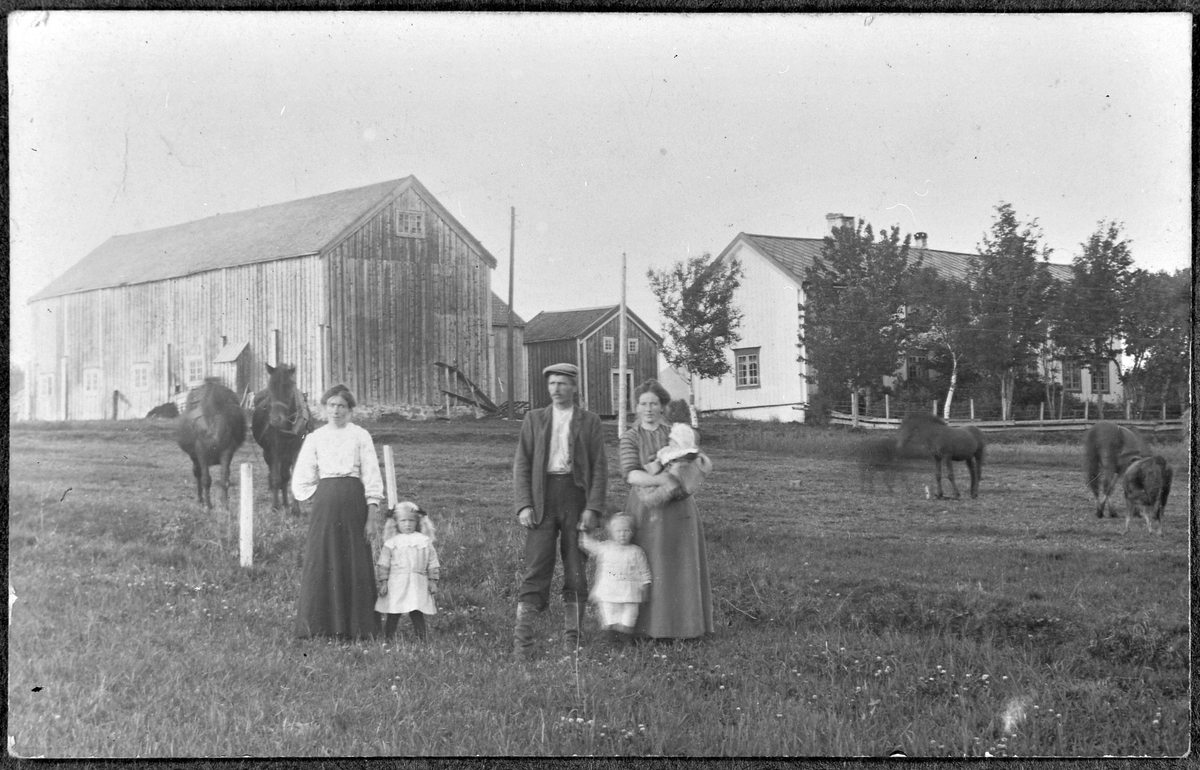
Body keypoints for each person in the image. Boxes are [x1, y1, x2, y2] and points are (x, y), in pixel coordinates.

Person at [512, 362, 608, 658]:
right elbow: (523, 464)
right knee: (536, 566)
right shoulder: (534, 419)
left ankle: (572, 641)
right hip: (543, 498)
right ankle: (523, 644)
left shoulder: (589, 421)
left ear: (574, 387)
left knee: (575, 568)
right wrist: (524, 505)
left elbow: (600, 468)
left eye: (563, 383)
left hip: (575, 498)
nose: (557, 389)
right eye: (552, 383)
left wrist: (592, 508)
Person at [621, 379, 714, 641]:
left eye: (654, 403)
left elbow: (699, 461)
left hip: (679, 508)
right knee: (650, 566)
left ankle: (686, 628)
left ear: (663, 406)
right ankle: (648, 629)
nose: (648, 409)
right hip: (645, 508)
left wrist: (683, 476)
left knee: (680, 564)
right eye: (643, 404)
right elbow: (630, 474)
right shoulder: (631, 437)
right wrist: (664, 480)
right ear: (636, 408)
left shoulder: (677, 432)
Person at [291, 384, 384, 640]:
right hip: (326, 506)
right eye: (331, 405)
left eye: (341, 406)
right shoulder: (315, 438)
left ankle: (358, 627)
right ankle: (319, 626)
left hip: (355, 502)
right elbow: (302, 477)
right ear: (324, 408)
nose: (336, 410)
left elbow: (372, 476)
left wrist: (371, 517)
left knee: (354, 560)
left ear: (350, 410)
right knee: (323, 559)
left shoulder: (360, 436)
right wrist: (320, 496)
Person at [579, 513, 652, 647]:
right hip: (609, 591)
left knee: (629, 619)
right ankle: (612, 643)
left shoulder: (636, 551)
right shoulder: (606, 547)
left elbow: (645, 572)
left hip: (630, 594)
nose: (622, 535)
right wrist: (585, 532)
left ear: (632, 533)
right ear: (612, 533)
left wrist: (646, 587)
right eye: (618, 531)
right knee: (609, 617)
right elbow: (589, 545)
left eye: (626, 531)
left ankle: (626, 642)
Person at [375, 502, 440, 641]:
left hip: (417, 582)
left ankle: (422, 638)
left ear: (417, 521)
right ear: (396, 522)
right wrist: (383, 582)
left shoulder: (424, 541)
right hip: (397, 582)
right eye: (403, 521)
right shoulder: (391, 542)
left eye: (411, 520)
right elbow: (383, 564)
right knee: (394, 611)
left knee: (416, 610)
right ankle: (389, 638)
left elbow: (432, 563)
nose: (408, 524)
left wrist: (433, 581)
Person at [637, 399, 712, 509]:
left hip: (676, 482)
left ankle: (648, 496)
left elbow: (679, 471)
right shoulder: (671, 451)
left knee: (661, 491)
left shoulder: (685, 458)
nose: (670, 442)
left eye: (673, 440)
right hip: (668, 475)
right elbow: (662, 458)